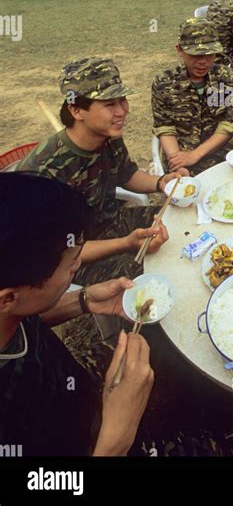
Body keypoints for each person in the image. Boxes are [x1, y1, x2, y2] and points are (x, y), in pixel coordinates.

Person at [0, 173, 154, 456]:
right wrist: (116, 438)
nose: (78, 267)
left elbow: (18, 324)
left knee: (156, 353)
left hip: (78, 390)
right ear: (8, 297)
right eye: (71, 264)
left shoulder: (10, 305)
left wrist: (83, 299)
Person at [18, 57, 180, 286]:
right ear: (76, 110)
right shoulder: (44, 174)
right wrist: (127, 243)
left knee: (178, 223)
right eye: (109, 104)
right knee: (151, 279)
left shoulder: (108, 135)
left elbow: (127, 174)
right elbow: (59, 255)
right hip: (73, 260)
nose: (121, 111)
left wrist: (161, 182)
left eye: (122, 100)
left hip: (111, 222)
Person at [151, 18, 233, 176]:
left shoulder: (227, 78)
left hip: (224, 153)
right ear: (179, 50)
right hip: (180, 154)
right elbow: (165, 128)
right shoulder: (164, 83)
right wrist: (178, 163)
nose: (203, 62)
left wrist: (196, 155)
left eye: (209, 54)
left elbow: (230, 122)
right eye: (195, 54)